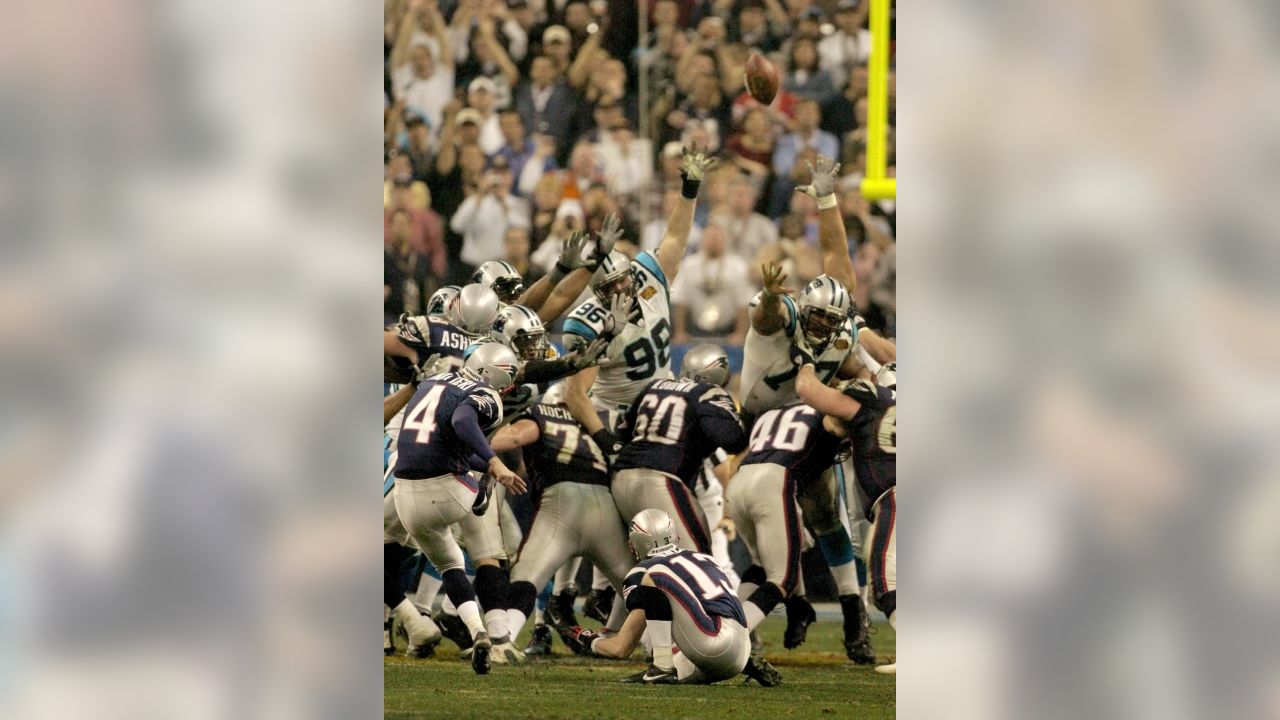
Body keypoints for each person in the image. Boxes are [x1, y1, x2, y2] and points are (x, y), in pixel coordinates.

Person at [560, 147, 716, 458]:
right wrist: (606, 440)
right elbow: (576, 394)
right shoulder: (588, 323)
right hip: (618, 415)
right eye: (610, 285)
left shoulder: (647, 277)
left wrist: (689, 191)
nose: (621, 287)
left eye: (623, 279)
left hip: (663, 399)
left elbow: (675, 238)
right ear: (597, 292)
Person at [390, 343, 527, 675]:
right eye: (508, 376)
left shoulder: (432, 382)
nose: (508, 385)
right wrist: (494, 463)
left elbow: (449, 435)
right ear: (493, 373)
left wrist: (488, 464)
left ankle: (477, 631)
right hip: (448, 492)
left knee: (451, 563)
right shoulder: (486, 395)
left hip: (404, 496)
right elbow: (463, 419)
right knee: (480, 480)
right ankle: (479, 493)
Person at [488, 384, 637, 657]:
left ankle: (504, 641)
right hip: (604, 506)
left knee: (526, 577)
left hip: (561, 502)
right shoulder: (599, 422)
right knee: (638, 587)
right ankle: (670, 648)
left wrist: (473, 441)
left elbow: (514, 438)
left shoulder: (540, 413)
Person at [559, 509, 782, 686]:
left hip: (710, 643)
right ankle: (743, 664)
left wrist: (588, 639)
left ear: (633, 545)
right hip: (740, 646)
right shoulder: (703, 558)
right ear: (675, 535)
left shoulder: (643, 572)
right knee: (641, 679)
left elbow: (621, 647)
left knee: (653, 578)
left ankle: (661, 666)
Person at [797, 363, 896, 674]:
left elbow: (810, 393)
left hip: (897, 495)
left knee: (884, 577)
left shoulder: (873, 398)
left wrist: (807, 366)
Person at [611, 344, 749, 555]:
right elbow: (733, 441)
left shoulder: (654, 386)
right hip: (663, 480)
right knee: (697, 560)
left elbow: (622, 433)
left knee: (643, 564)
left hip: (621, 479)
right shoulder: (708, 393)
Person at [670, 224, 754, 345]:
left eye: (718, 237)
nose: (714, 241)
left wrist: (740, 334)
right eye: (710, 237)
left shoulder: (738, 266)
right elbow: (680, 301)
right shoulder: (689, 264)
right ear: (702, 240)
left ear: (725, 241)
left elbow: (744, 303)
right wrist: (679, 332)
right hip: (694, 330)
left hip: (728, 331)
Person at [451, 155, 532, 269]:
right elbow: (457, 226)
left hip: (505, 265)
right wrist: (479, 194)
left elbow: (523, 230)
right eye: (495, 173)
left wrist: (504, 202)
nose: (499, 178)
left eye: (504, 173)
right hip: (473, 265)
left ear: (511, 177)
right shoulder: (475, 201)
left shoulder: (517, 203)